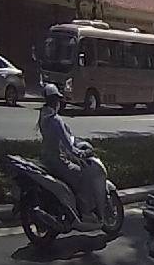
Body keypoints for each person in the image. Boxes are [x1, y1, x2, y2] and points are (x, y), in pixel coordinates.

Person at [37, 83, 105, 228]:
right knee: (83, 175)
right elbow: (69, 147)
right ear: (55, 101)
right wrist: (83, 153)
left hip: (46, 159)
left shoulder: (43, 116)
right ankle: (86, 212)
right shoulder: (56, 120)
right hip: (58, 161)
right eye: (58, 100)